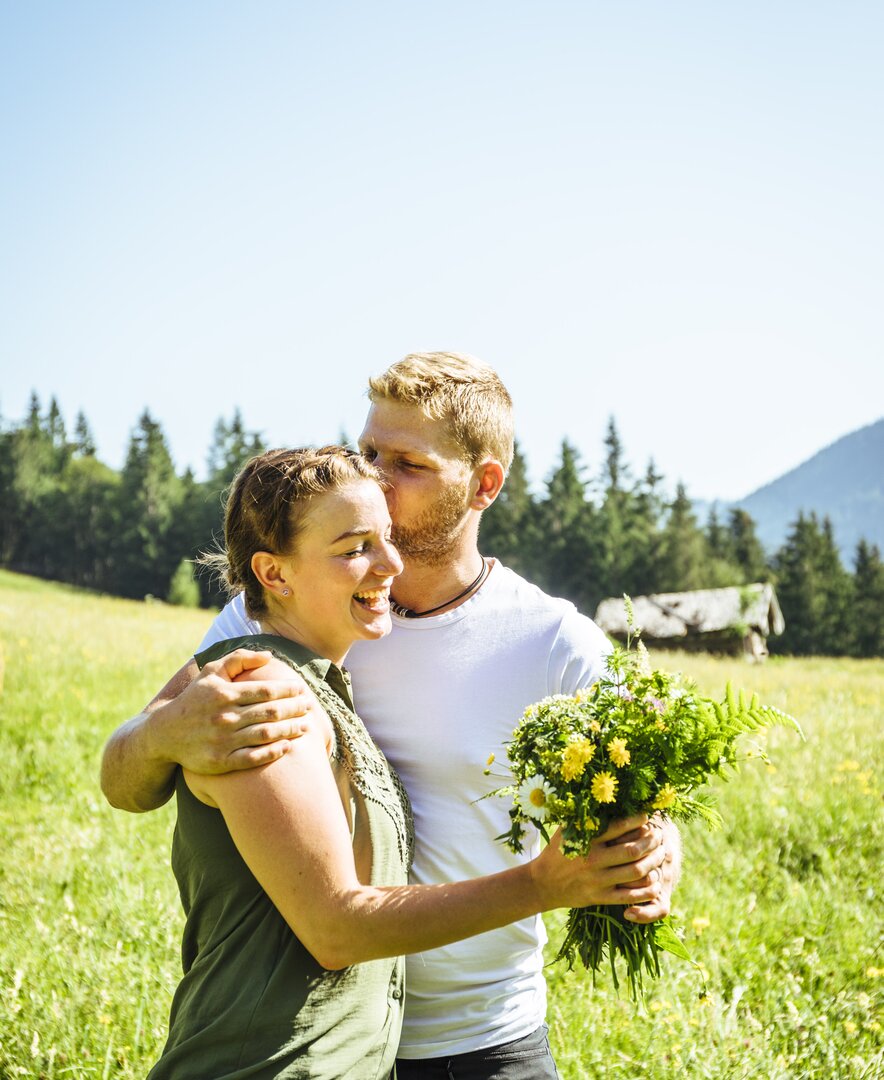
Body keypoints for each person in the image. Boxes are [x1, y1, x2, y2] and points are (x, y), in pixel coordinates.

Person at [102, 354, 681, 1079]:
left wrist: (656, 851)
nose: (376, 477)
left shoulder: (552, 643)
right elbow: (124, 779)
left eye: (407, 463)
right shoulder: (291, 611)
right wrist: (160, 734)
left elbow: (648, 799)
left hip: (486, 1038)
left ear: (485, 484)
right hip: (323, 1038)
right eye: (369, 450)